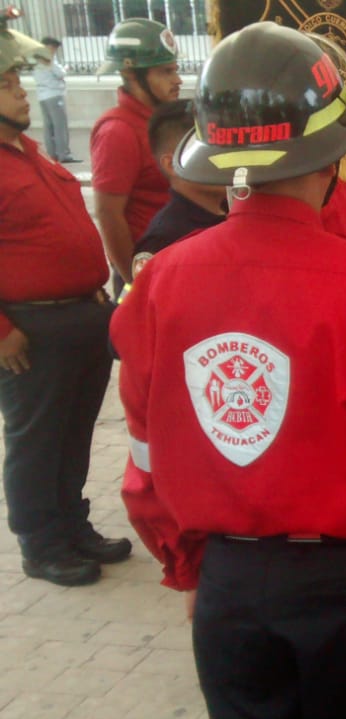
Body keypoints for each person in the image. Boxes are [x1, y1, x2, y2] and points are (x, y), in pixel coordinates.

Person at [110, 23, 346, 717]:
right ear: (335, 150)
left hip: (228, 582)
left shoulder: (159, 283)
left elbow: (145, 455)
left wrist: (189, 566)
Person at [0, 18, 129, 588]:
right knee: (37, 439)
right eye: (7, 83)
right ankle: (40, 542)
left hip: (81, 313)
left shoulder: (28, 151)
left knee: (74, 431)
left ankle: (72, 525)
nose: (21, 89)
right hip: (30, 327)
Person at [91, 18, 182, 295]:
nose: (177, 80)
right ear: (132, 75)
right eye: (166, 72)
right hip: (149, 276)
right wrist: (133, 280)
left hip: (179, 264)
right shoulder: (118, 132)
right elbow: (109, 214)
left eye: (175, 70)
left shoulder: (164, 122)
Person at [129, 100, 226, 278]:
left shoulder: (235, 214)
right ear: (172, 164)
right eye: (210, 151)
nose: (226, 159)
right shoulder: (164, 238)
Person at [31, 37, 75, 163]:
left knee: (48, 126)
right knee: (60, 125)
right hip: (54, 94)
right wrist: (65, 69)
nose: (55, 50)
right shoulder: (48, 59)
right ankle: (64, 154)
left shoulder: (36, 59)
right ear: (48, 46)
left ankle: (52, 153)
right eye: (54, 48)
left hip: (42, 95)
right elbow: (60, 74)